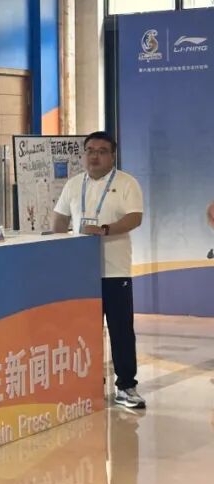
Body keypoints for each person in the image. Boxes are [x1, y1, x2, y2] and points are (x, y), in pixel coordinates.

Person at [52, 131, 145, 409]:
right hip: (81, 274)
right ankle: (86, 383)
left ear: (112, 155)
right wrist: (62, 246)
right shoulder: (73, 184)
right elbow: (59, 220)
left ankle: (126, 386)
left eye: (102, 151)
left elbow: (135, 218)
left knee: (120, 330)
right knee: (81, 330)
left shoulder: (126, 183)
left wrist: (104, 230)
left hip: (115, 271)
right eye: (90, 150)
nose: (94, 156)